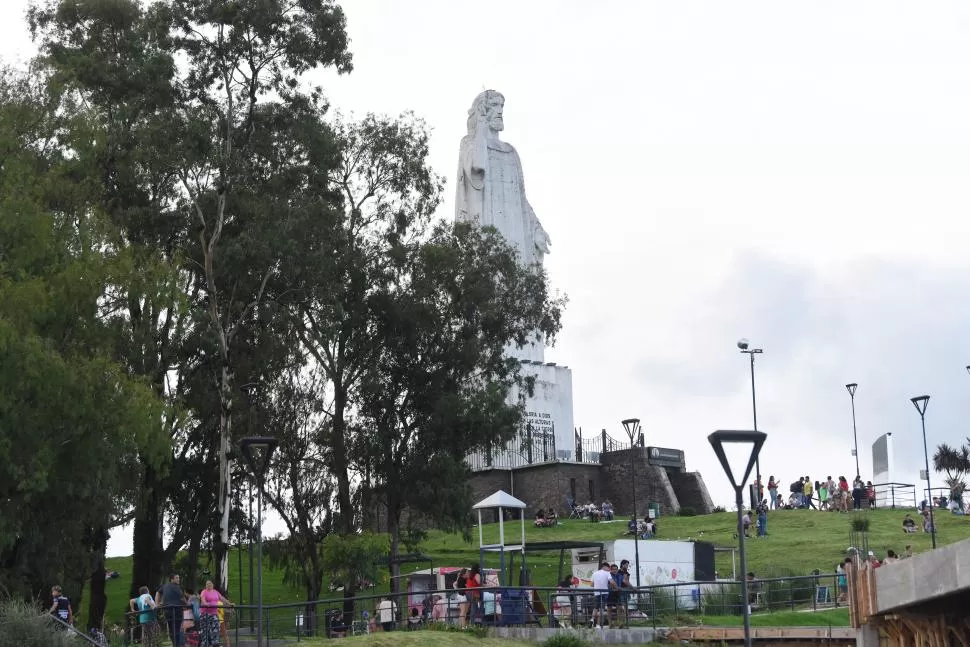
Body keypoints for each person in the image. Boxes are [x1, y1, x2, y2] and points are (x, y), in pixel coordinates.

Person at [198, 580, 232, 646]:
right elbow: (202, 599)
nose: (209, 585)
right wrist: (206, 604)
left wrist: (229, 604)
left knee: (216, 629)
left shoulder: (215, 592)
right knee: (205, 631)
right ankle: (205, 644)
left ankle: (215, 643)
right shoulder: (204, 592)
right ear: (205, 585)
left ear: (212, 585)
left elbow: (222, 598)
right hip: (205, 614)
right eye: (207, 584)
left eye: (210, 583)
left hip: (214, 614)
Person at [156, 574, 185, 647]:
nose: (178, 579)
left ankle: (175, 644)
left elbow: (158, 592)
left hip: (168, 610)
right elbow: (182, 598)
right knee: (177, 629)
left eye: (178, 578)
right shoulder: (178, 587)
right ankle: (177, 644)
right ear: (171, 579)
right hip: (177, 610)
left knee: (171, 629)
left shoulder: (164, 586)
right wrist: (187, 603)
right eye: (176, 578)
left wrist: (157, 603)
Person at [590, 562, 614, 628]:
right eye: (608, 568)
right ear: (605, 567)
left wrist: (598, 585)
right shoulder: (607, 573)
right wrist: (612, 587)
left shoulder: (594, 573)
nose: (609, 569)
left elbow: (591, 584)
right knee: (601, 609)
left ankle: (592, 619)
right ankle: (598, 625)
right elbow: (612, 582)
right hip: (604, 593)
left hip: (596, 592)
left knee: (595, 608)